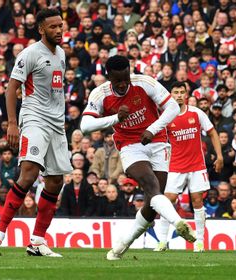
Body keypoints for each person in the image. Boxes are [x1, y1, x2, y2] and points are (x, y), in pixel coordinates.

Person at [81, 55, 195, 261]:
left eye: (127, 78)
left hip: (158, 141)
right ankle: (178, 222)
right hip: (130, 146)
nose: (124, 84)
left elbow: (173, 107)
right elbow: (85, 126)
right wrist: (116, 118)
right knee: (151, 185)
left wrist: (152, 129)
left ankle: (122, 244)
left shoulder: (145, 82)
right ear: (109, 77)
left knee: (152, 205)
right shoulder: (100, 94)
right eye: (119, 81)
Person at [0, 9, 73, 258]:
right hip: (34, 118)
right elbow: (12, 88)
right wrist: (12, 122)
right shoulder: (30, 53)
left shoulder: (62, 54)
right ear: (41, 29)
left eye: (60, 26)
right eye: (53, 27)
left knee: (55, 181)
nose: (58, 30)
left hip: (56, 124)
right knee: (30, 172)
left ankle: (37, 241)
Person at [154, 82, 223, 252]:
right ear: (170, 94)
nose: (178, 95)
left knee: (197, 201)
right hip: (175, 166)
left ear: (186, 94)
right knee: (168, 201)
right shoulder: (166, 116)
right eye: (175, 92)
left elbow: (212, 132)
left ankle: (199, 241)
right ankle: (162, 241)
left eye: (181, 92)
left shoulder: (196, 113)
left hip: (197, 166)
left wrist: (219, 156)